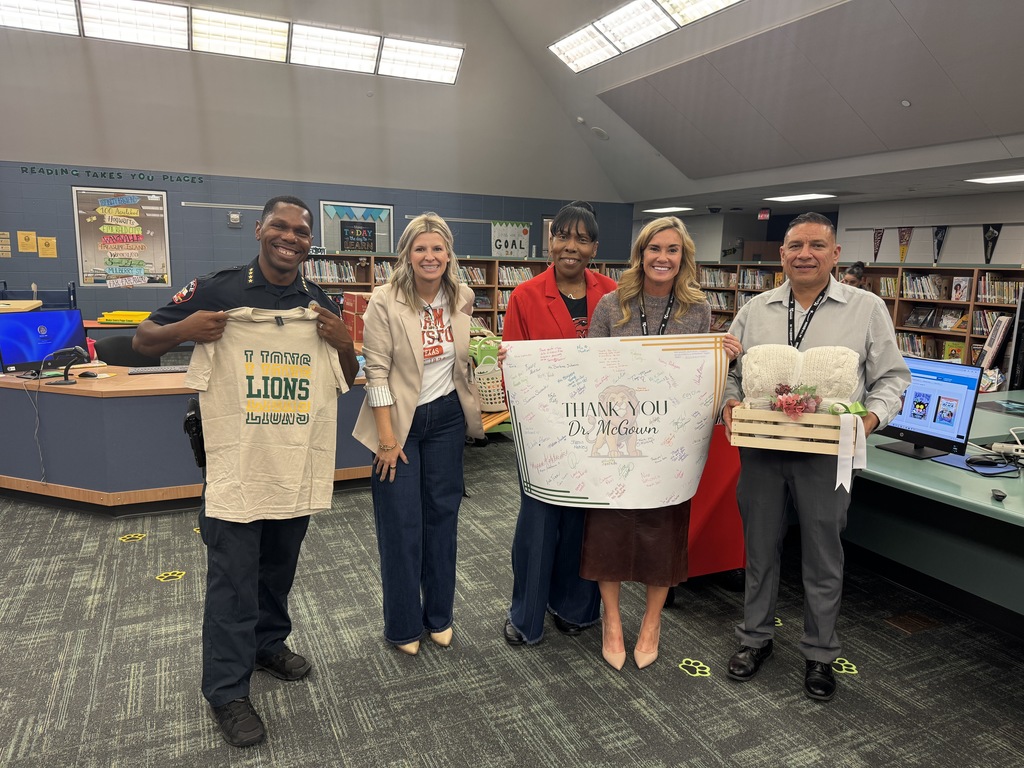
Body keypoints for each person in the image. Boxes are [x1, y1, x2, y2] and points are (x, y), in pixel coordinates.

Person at [133, 195, 359, 748]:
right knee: (234, 574)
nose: (290, 237)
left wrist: (345, 343)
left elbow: (346, 377)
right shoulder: (219, 288)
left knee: (279, 564)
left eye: (301, 231)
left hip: (293, 459)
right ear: (259, 230)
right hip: (236, 458)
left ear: (311, 241)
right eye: (279, 226)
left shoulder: (318, 301)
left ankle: (267, 644)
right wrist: (187, 327)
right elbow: (142, 339)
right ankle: (227, 691)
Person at [721, 212, 910, 701]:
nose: (805, 254)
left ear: (835, 253)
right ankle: (754, 638)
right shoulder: (755, 309)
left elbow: (893, 378)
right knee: (759, 549)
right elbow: (732, 373)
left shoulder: (866, 309)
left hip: (827, 454)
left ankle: (820, 653)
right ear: (782, 254)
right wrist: (729, 403)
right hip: (762, 451)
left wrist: (869, 421)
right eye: (795, 246)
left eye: (816, 246)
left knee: (824, 555)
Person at [582, 216, 742, 670]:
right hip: (617, 435)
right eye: (655, 249)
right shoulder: (612, 306)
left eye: (673, 250)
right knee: (607, 531)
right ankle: (612, 620)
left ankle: (652, 621)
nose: (663, 258)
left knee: (662, 531)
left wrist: (720, 355)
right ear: (641, 255)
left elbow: (697, 376)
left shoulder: (698, 309)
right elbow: (591, 369)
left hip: (669, 440)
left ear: (683, 258)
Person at [352, 212, 484, 656]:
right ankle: (404, 624)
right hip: (397, 423)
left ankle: (440, 616)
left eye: (438, 248)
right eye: (420, 248)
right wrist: (387, 441)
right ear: (407, 254)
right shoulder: (384, 300)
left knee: (442, 521)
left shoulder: (461, 295)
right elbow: (376, 372)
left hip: (446, 418)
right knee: (401, 525)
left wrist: (488, 349)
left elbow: (462, 356)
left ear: (449, 254)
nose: (430, 256)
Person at [501, 201, 618, 647]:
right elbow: (514, 371)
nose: (571, 246)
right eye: (563, 236)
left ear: (595, 247)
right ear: (550, 242)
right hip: (544, 431)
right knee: (539, 521)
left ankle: (575, 607)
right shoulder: (526, 295)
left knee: (586, 524)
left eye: (582, 239)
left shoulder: (612, 291)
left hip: (599, 430)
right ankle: (526, 613)